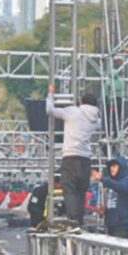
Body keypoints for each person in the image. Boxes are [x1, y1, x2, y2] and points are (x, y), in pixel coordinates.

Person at [46, 85, 101, 229]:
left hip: (71, 157)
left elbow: (50, 110)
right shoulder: (96, 119)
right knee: (81, 191)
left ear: (81, 101)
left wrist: (51, 94)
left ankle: (73, 221)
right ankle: (79, 222)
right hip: (85, 160)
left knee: (69, 189)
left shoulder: (73, 112)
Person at [94, 155, 128, 238]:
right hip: (110, 225)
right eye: (110, 166)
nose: (111, 168)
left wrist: (103, 179)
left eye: (114, 166)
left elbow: (121, 187)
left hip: (123, 226)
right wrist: (104, 211)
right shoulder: (110, 182)